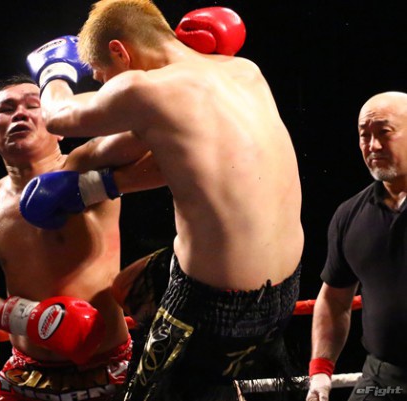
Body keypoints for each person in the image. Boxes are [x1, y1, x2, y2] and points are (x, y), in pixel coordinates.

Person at [20, 1, 304, 400]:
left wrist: (54, 69)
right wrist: (87, 185)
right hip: (286, 289)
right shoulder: (245, 72)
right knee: (127, 287)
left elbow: (58, 115)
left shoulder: (144, 89)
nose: (106, 86)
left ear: (120, 51)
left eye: (103, 76)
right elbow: (149, 153)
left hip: (214, 308)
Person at [0, 75, 140, 401]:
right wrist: (31, 317)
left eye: (33, 105)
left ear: (58, 125)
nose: (20, 113)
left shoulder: (89, 164)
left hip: (108, 369)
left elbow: (154, 133)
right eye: (7, 109)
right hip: (25, 374)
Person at [306, 91, 407, 401]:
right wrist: (321, 372)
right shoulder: (350, 215)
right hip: (384, 377)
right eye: (365, 135)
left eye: (384, 132)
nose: (373, 145)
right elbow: (335, 300)